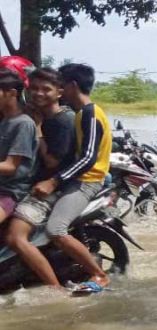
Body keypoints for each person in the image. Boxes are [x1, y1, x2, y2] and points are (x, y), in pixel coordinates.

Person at [11, 63, 112, 290]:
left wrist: (53, 181)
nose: (40, 93)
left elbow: (87, 158)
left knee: (55, 229)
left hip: (87, 181)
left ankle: (100, 275)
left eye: (59, 84)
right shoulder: (79, 114)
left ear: (70, 86)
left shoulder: (89, 113)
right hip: (74, 179)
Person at [5, 68, 76, 289]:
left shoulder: (59, 121)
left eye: (46, 89)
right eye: (34, 88)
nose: (39, 93)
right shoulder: (36, 117)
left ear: (60, 92)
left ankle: (56, 291)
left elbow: (50, 163)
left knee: (15, 238)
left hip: (48, 187)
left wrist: (37, 129)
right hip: (35, 184)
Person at [0, 69, 38, 226]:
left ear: (12, 93)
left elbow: (10, 166)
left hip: (10, 192)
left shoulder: (23, 123)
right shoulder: (5, 121)